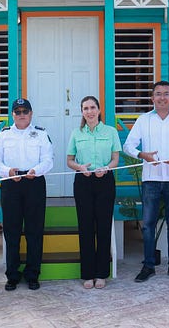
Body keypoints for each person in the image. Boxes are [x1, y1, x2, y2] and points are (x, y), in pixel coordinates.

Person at [123, 81, 169, 283]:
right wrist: (142, 155)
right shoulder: (143, 120)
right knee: (147, 225)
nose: (162, 97)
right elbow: (128, 146)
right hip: (151, 180)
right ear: (152, 98)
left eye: (166, 94)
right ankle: (148, 266)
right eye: (158, 94)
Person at [0, 98, 53, 291]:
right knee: (11, 231)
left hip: (34, 182)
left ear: (31, 114)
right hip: (11, 184)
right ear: (13, 115)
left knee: (35, 230)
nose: (22, 115)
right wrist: (7, 171)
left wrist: (36, 171)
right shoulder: (4, 135)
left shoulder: (41, 133)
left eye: (25, 111)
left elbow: (48, 160)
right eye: (18, 112)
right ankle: (12, 275)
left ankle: (33, 274)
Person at [66, 96, 121, 289]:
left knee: (104, 227)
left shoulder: (111, 132)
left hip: (105, 181)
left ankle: (101, 273)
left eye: (92, 107)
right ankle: (88, 274)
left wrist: (106, 168)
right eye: (85, 108)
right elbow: (69, 160)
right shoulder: (76, 133)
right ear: (82, 112)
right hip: (83, 181)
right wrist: (80, 167)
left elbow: (115, 159)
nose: (89, 111)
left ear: (99, 110)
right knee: (86, 227)